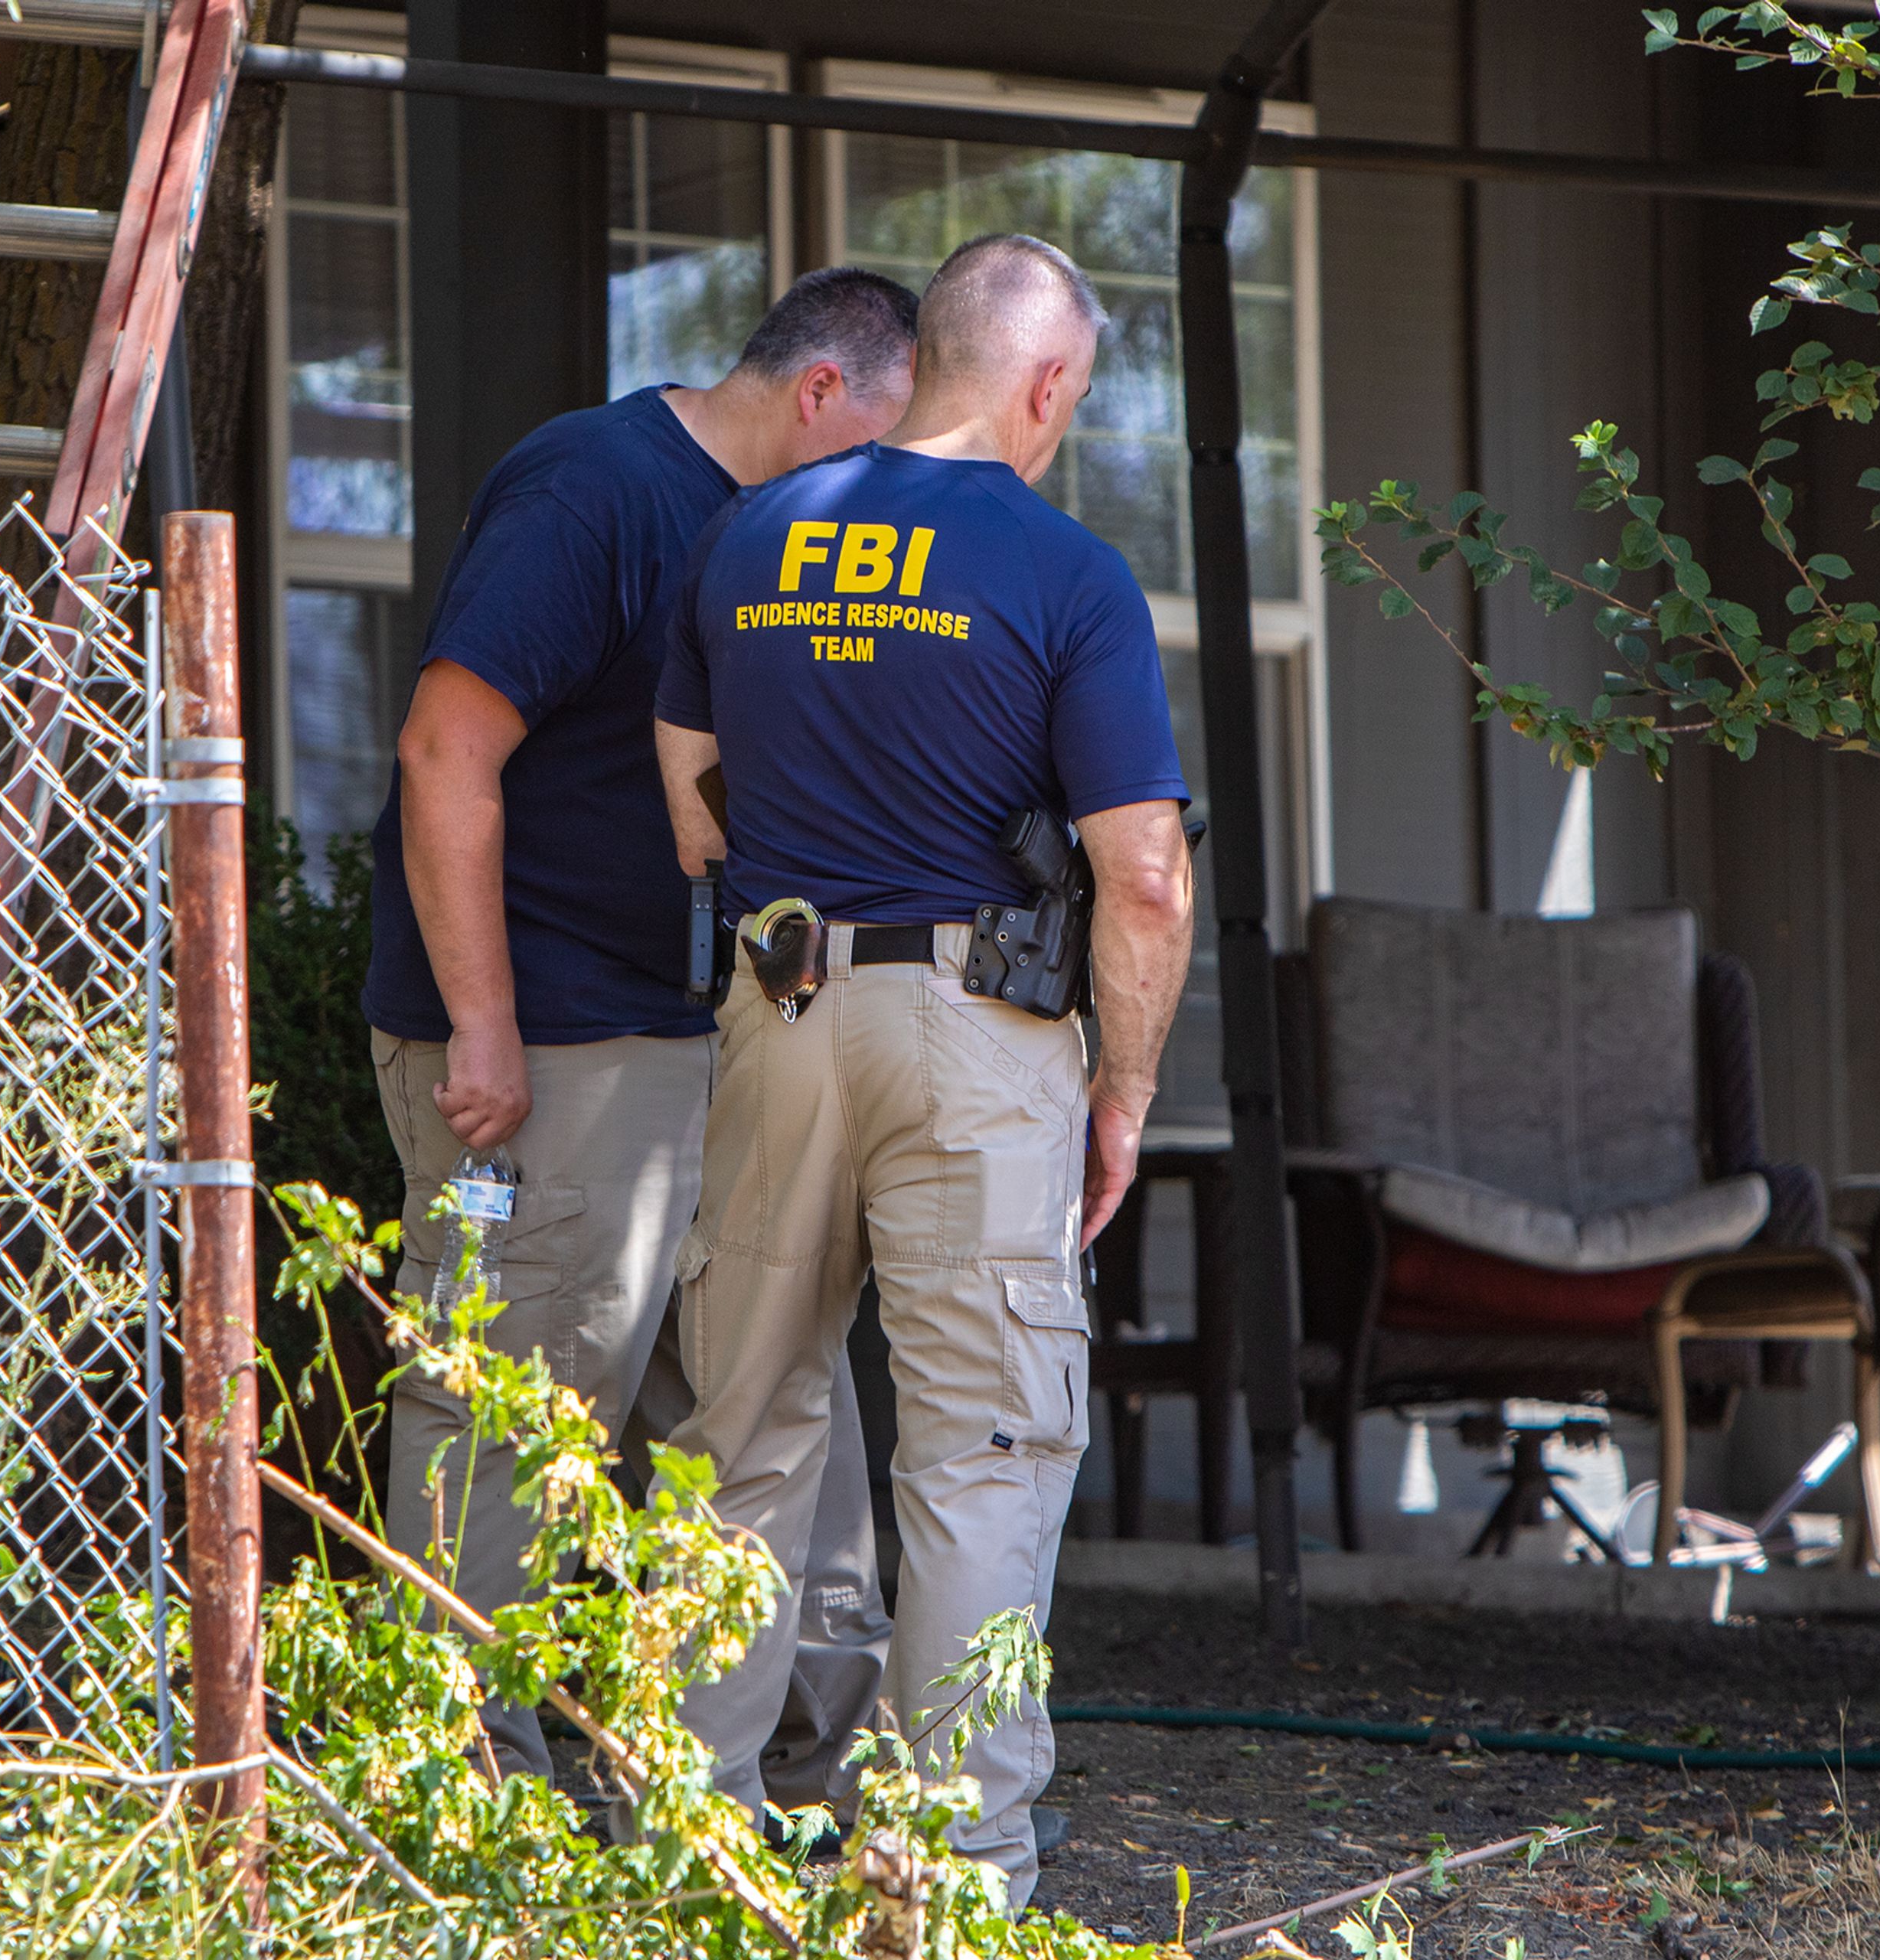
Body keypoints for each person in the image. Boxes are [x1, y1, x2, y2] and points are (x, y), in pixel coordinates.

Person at [651, 233, 1195, 1904]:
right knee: (976, 1456)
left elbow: (691, 806)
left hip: (781, 1010)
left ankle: (688, 1847)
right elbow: (1145, 874)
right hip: (979, 1041)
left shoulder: (753, 535)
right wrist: (1121, 1093)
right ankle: (935, 1886)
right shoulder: (1066, 573)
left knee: (737, 1428)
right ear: (1042, 386)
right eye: (1075, 397)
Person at [363, 269, 922, 1795]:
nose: (889, 486)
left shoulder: (788, 536)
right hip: (547, 1050)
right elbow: (444, 748)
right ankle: (464, 1788)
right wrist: (485, 1024)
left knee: (747, 1406)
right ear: (818, 392)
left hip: (710, 1037)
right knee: (521, 1401)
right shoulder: (595, 489)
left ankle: (759, 1786)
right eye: (879, 438)